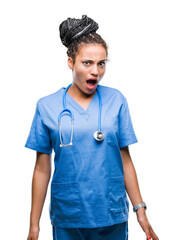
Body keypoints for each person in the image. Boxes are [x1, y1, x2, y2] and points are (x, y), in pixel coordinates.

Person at [25, 15, 159, 240]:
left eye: (101, 63)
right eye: (87, 63)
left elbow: (125, 159)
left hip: (111, 214)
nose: (96, 71)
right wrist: (34, 225)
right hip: (69, 215)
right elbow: (42, 168)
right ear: (71, 62)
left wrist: (140, 211)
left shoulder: (116, 100)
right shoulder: (47, 106)